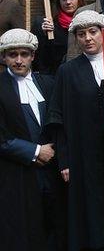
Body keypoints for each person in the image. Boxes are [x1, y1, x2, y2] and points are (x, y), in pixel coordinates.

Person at [46, 10, 104, 251]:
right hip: (83, 156)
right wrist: (64, 160)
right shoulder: (67, 71)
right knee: (88, 211)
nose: (87, 38)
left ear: (103, 33)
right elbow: (58, 118)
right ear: (76, 38)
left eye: (92, 32)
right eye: (81, 34)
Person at [0, 29, 66, 250]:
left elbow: (59, 123)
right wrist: (36, 151)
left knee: (56, 226)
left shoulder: (47, 83)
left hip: (52, 170)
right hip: (18, 173)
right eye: (12, 55)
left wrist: (56, 151)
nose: (19, 60)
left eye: (24, 54)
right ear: (4, 57)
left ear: (33, 56)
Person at [34, 0, 86, 74]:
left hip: (82, 74)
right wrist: (44, 35)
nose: (68, 2)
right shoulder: (49, 25)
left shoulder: (88, 23)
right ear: (59, 1)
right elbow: (39, 57)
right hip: (55, 76)